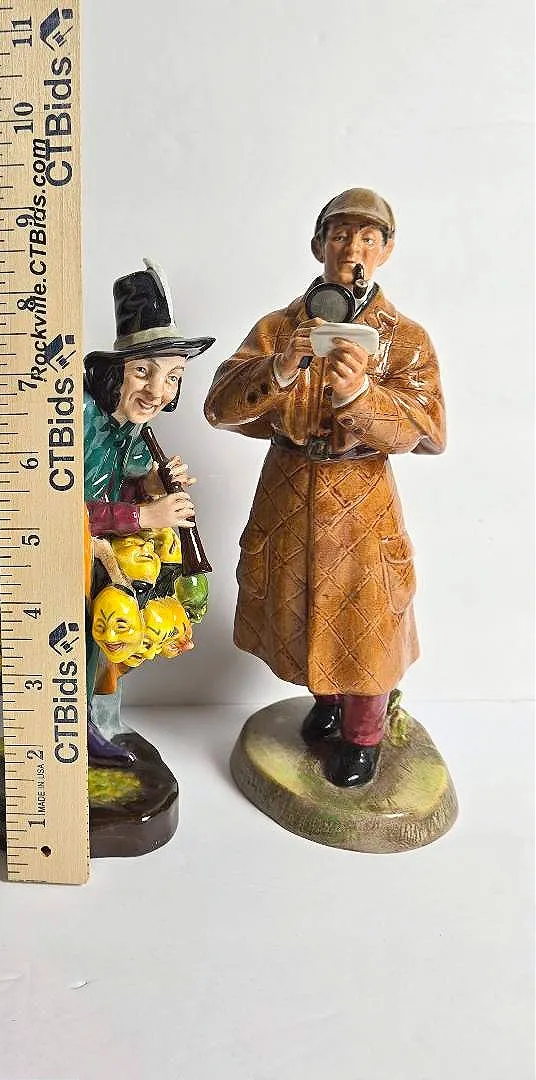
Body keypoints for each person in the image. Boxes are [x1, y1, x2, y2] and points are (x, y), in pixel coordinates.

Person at [203, 188, 445, 786]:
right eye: (340, 236)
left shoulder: (405, 339)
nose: (352, 249)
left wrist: (361, 395)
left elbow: (429, 430)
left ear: (386, 250)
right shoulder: (279, 328)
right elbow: (219, 407)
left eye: (367, 238)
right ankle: (327, 700)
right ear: (318, 245)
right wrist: (280, 369)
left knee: (366, 617)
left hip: (361, 500)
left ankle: (364, 735)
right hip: (288, 490)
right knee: (297, 603)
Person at [82, 260, 215, 759]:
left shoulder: (132, 426)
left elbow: (122, 485)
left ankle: (104, 719)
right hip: (70, 556)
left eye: (172, 377)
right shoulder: (81, 419)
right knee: (88, 636)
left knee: (119, 638)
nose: (158, 391)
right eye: (143, 371)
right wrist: (144, 517)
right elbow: (61, 509)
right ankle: (78, 726)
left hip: (111, 553)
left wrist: (154, 485)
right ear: (116, 372)